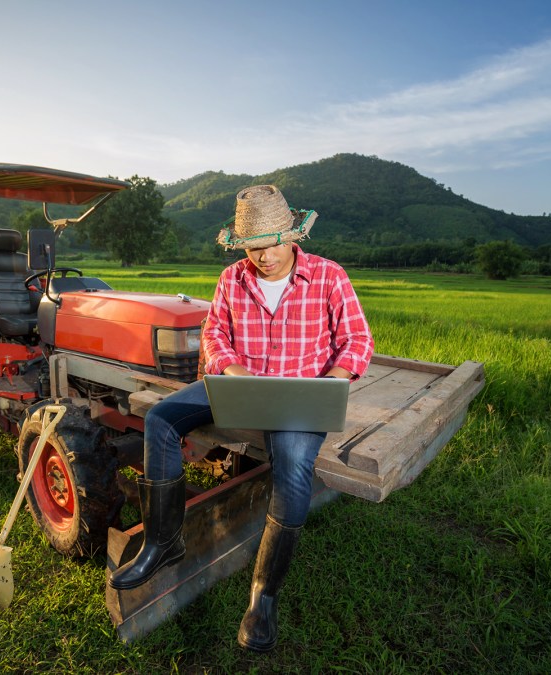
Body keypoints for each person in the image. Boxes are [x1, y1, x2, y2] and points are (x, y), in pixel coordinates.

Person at [109, 184, 374, 651]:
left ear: (292, 236)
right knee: (161, 420)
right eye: (252, 248)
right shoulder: (232, 279)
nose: (263, 257)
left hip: (300, 392)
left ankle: (262, 598)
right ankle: (162, 542)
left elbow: (357, 340)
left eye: (271, 245)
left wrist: (332, 381)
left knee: (291, 466)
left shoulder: (330, 276)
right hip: (239, 383)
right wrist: (231, 370)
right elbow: (213, 334)